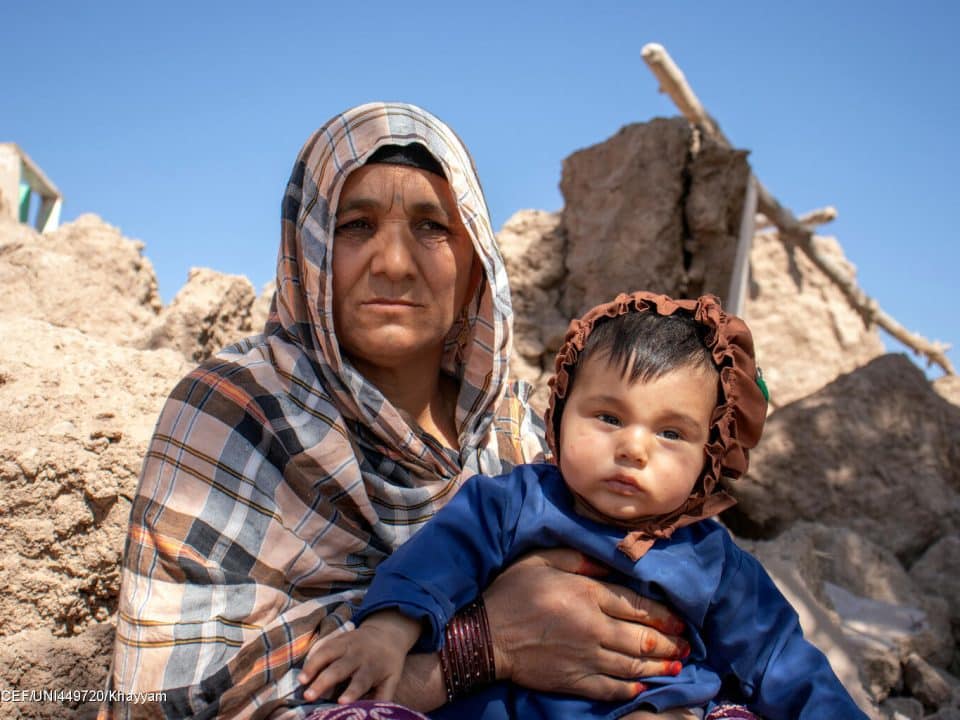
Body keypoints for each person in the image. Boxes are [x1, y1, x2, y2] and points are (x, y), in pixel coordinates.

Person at [100, 103, 701, 720]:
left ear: (476, 267)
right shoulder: (237, 412)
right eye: (356, 225)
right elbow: (171, 698)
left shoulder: (528, 434)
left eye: (432, 227)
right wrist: (482, 645)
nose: (393, 262)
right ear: (309, 253)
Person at [297, 291, 870, 720]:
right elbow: (436, 562)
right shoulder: (515, 501)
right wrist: (385, 635)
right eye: (609, 417)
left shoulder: (714, 561)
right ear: (560, 415)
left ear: (709, 456)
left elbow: (781, 660)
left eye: (672, 433)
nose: (633, 448)